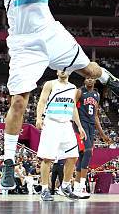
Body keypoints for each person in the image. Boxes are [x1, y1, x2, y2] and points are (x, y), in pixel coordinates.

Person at [0, 0, 119, 191]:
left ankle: (107, 78)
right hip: (24, 44)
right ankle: (9, 161)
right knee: (19, 100)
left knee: (89, 69)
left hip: (51, 33)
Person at [35, 70, 86, 201]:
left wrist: (79, 126)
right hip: (51, 123)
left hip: (66, 125)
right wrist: (39, 118)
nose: (63, 70)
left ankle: (65, 186)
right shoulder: (50, 84)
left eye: (66, 68)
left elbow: (73, 107)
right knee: (47, 159)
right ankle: (45, 189)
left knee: (73, 157)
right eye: (60, 68)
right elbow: (41, 101)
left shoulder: (73, 88)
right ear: (57, 71)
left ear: (70, 71)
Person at [73, 77, 112, 199]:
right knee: (88, 151)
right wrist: (77, 125)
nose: (89, 80)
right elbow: (73, 107)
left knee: (82, 155)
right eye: (87, 78)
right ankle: (82, 186)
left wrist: (102, 134)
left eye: (92, 78)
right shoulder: (80, 91)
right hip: (81, 124)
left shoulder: (96, 95)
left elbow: (95, 116)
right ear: (84, 80)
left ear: (95, 81)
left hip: (90, 126)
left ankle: (76, 187)